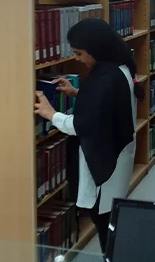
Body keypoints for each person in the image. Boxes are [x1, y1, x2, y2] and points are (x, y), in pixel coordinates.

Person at [34, 18, 144, 256]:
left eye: (79, 53)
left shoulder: (103, 79)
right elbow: (107, 105)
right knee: (110, 219)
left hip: (105, 161)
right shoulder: (120, 68)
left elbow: (82, 125)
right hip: (119, 154)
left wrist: (51, 114)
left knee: (104, 222)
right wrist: (78, 93)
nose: (77, 59)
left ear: (97, 50)